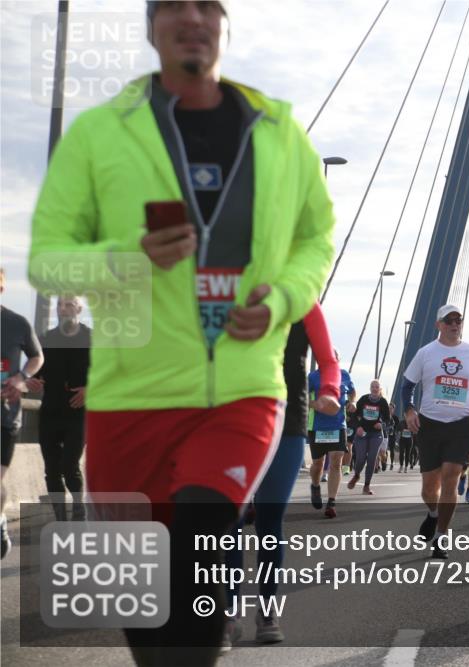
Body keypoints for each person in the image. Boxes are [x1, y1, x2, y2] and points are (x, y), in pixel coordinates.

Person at [28, 1, 335, 660]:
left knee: (204, 528)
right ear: (151, 26)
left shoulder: (280, 132)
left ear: (224, 24)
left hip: (241, 392)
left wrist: (283, 296)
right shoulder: (98, 134)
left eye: (207, 5)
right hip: (129, 398)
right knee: (147, 617)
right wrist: (128, 257)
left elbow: (316, 241)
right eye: (174, 5)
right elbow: (46, 259)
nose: (192, 16)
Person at [223, 303, 340, 648]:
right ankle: (228, 613)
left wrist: (330, 392)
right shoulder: (226, 289)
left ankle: (267, 612)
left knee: (270, 520)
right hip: (232, 419)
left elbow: (328, 360)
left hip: (285, 422)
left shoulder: (304, 303)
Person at [401, 304, 469, 558]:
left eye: (458, 320)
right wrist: (409, 410)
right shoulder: (426, 353)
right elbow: (406, 386)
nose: (454, 324)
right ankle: (432, 512)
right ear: (438, 325)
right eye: (448, 320)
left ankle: (441, 537)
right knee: (430, 488)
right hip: (430, 423)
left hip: (461, 424)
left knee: (451, 476)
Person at [32, 296, 91, 522]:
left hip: (78, 413)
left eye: (68, 304)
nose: (63, 309)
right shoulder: (45, 339)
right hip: (50, 412)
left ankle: (78, 510)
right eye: (59, 305)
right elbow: (34, 373)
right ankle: (60, 519)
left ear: (79, 308)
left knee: (70, 464)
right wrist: (32, 381)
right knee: (52, 470)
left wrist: (89, 389)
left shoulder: (92, 338)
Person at [1, 268, 44, 558]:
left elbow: (37, 356)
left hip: (5, 417)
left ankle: (0, 519)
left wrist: (19, 379)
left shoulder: (16, 323)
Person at [309, 352, 356, 517]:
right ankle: (315, 486)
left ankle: (331, 502)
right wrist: (317, 404)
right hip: (317, 426)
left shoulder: (343, 374)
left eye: (335, 356)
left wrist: (352, 402)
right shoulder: (313, 377)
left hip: (338, 425)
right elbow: (302, 396)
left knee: (336, 462)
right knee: (317, 465)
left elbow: (352, 391)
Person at [348, 380, 391, 495]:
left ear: (379, 389)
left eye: (377, 387)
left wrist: (382, 425)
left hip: (376, 434)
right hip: (362, 433)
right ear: (370, 388)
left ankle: (366, 486)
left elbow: (388, 420)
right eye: (373, 386)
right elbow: (354, 415)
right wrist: (358, 427)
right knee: (360, 458)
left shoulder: (383, 402)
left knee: (372, 458)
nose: (374, 388)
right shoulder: (363, 399)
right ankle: (356, 475)